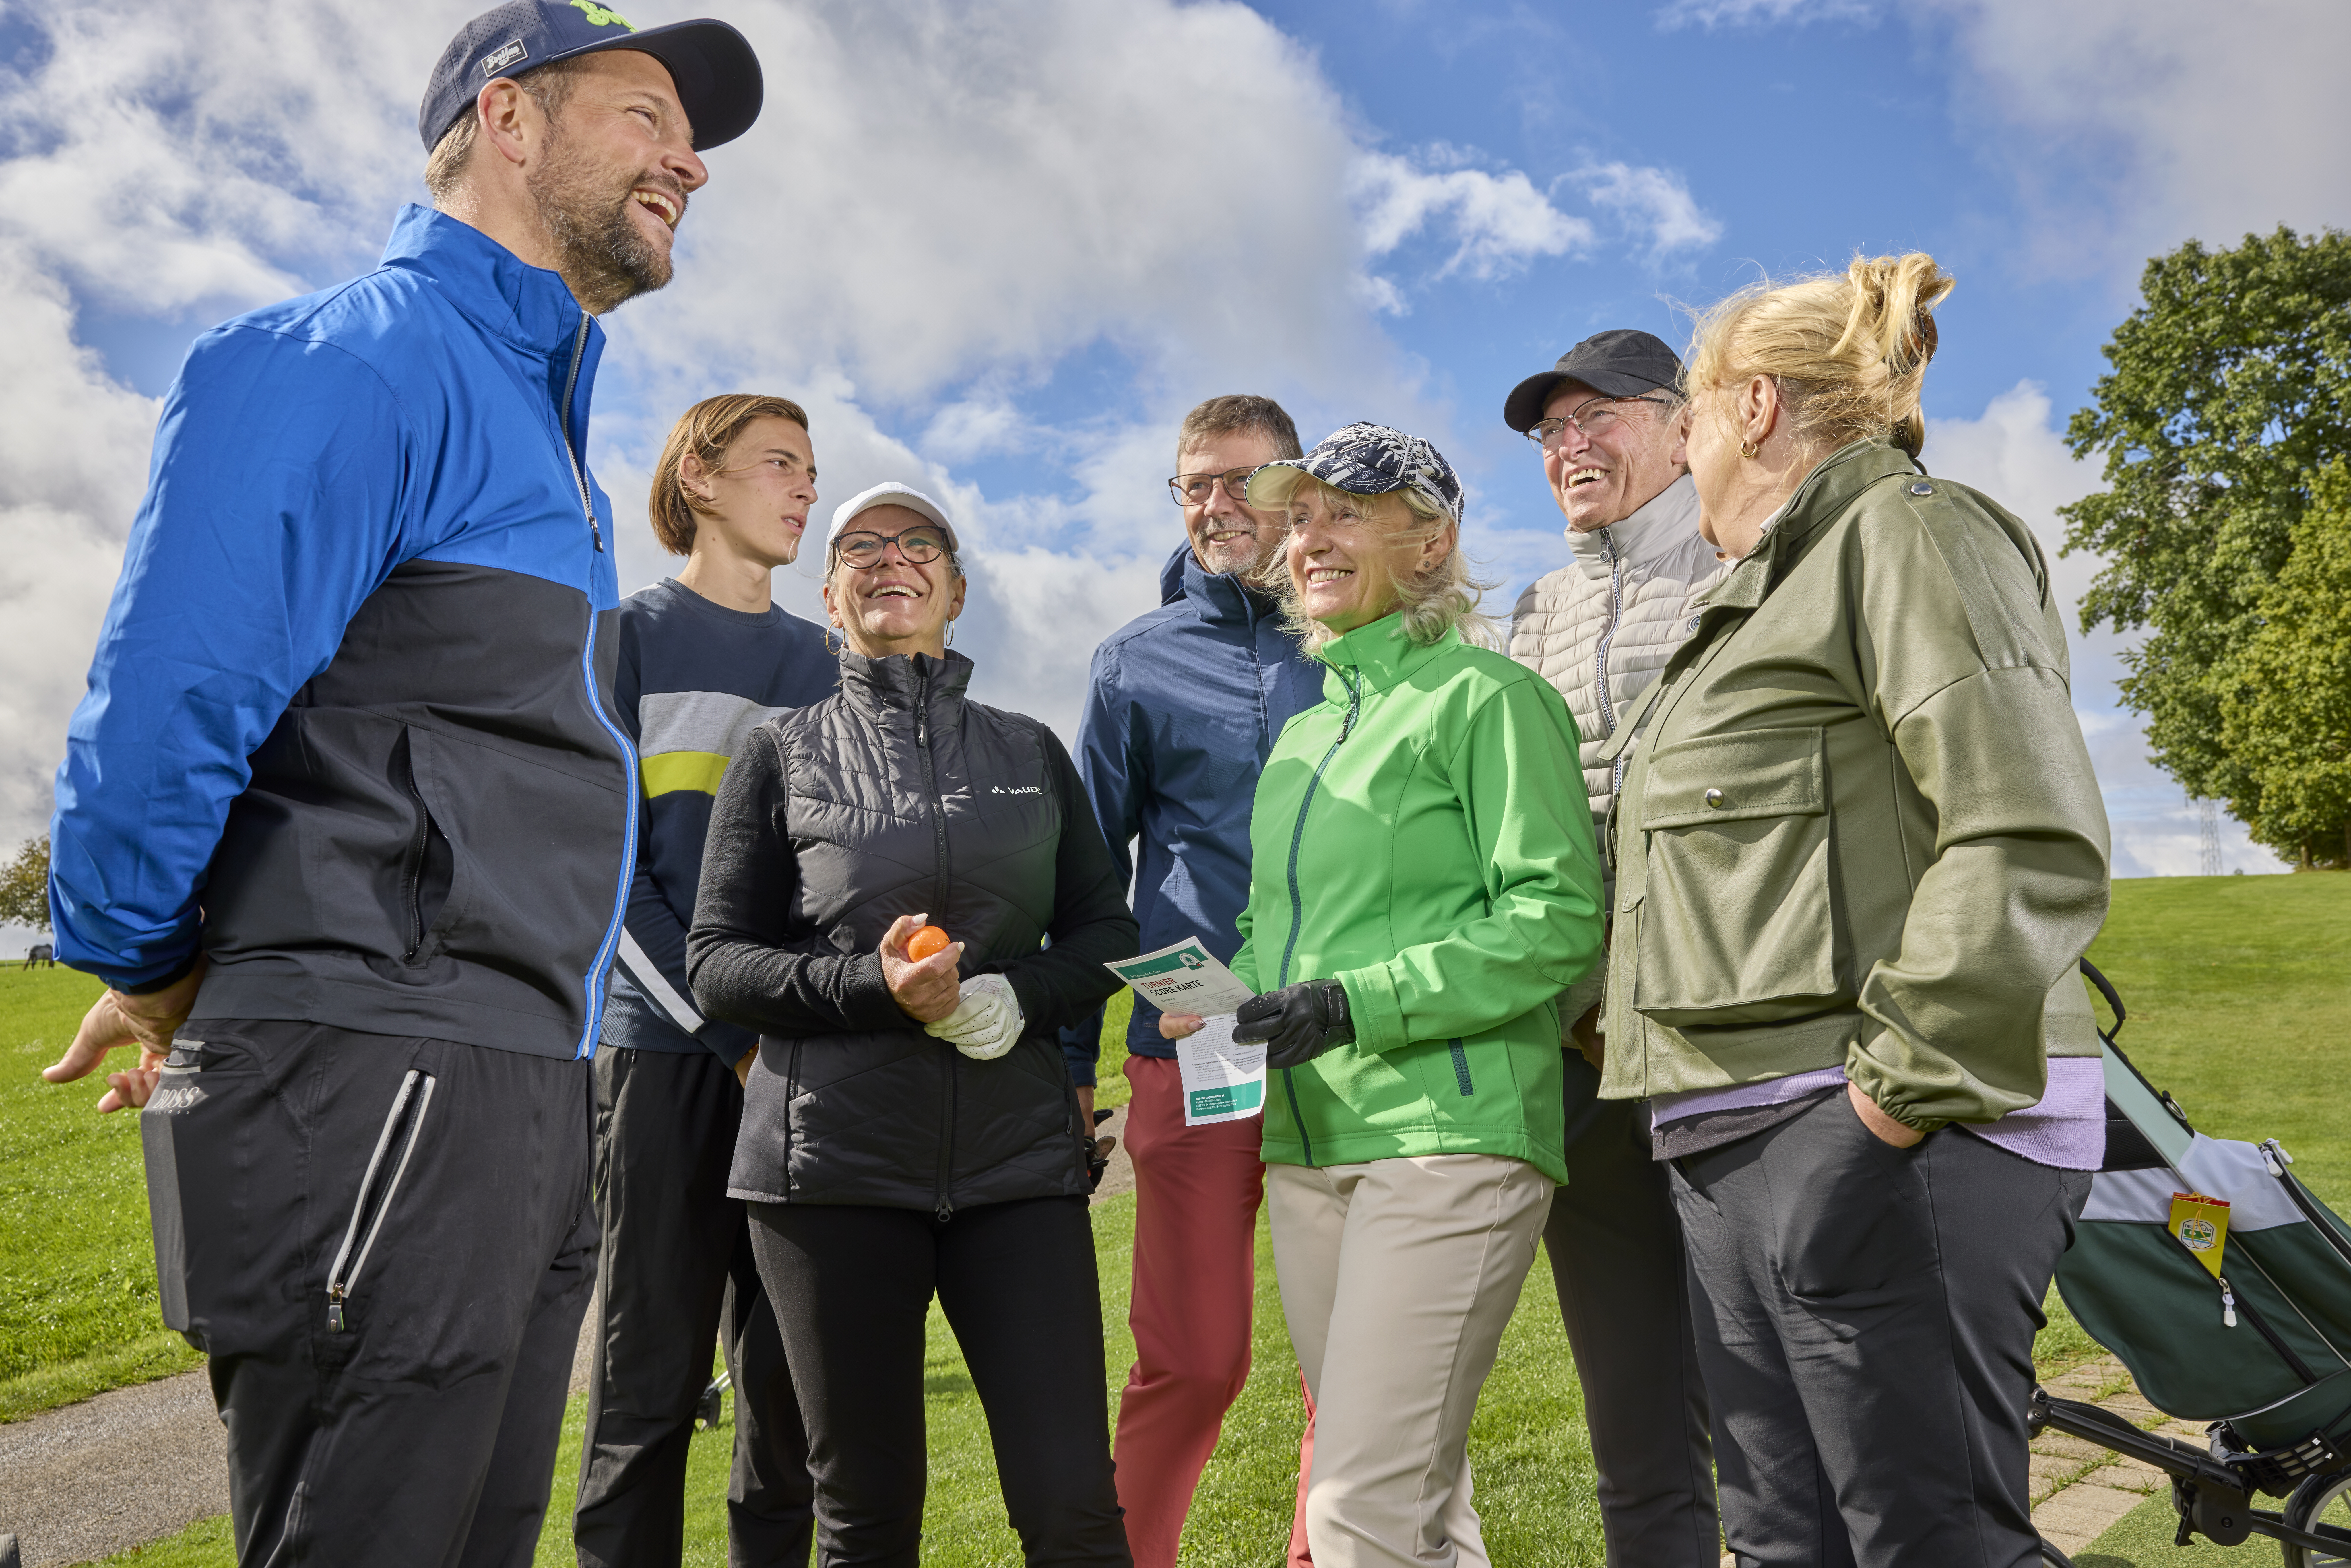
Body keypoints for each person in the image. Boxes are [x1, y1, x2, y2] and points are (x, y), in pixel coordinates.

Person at [38, 5, 763, 1562]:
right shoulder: (351, 362)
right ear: (508, 122)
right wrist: (158, 959)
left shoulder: (542, 427)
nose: (688, 160)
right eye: (645, 115)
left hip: (518, 1085)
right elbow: (165, 713)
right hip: (386, 1079)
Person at [1600, 254, 2111, 1567]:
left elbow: (2023, 835)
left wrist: (1880, 1107)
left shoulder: (1908, 533)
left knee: (1929, 1542)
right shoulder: (1753, 591)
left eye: (1693, 415)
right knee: (1785, 1543)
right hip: (1728, 1133)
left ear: (1755, 407)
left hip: (1881, 1126)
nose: (1684, 445)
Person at [1169, 423, 1605, 1568]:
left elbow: (1552, 921)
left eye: (1346, 512)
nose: (1309, 536)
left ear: (1431, 543)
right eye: (1300, 515)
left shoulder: (1489, 699)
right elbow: (1273, 934)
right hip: (1310, 1147)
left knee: (1354, 1503)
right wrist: (1225, 999)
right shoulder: (1305, 736)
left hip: (1449, 1142)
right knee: (1414, 1497)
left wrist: (1352, 1003)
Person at [686, 483, 1141, 1568]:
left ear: (958, 588)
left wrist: (1014, 999)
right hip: (828, 1177)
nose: (891, 560)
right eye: (860, 549)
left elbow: (1106, 932)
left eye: (918, 543)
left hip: (1016, 1170)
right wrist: (869, 990)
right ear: (831, 596)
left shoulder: (1032, 751)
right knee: (866, 1513)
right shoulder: (779, 751)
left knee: (1073, 1501)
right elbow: (716, 965)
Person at [1059, 394, 1324, 1568]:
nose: (1216, 505)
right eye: (1193, 485)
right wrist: (1075, 1068)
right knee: (1196, 1356)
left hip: (1345, 1046)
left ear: (1294, 485)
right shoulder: (1130, 663)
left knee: (1351, 1357)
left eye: (1240, 479)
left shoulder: (1355, 637)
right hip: (1191, 1047)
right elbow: (1085, 876)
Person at [574, 394, 833, 1567]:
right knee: (648, 1390)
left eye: (811, 470)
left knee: (784, 1405)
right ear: (701, 475)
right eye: (779, 462)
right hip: (667, 1057)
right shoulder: (618, 639)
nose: (803, 489)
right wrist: (725, 1025)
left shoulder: (825, 662)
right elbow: (606, 871)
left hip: (796, 1072)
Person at [1500, 330, 1723, 1566]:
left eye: (1596, 421)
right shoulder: (1539, 605)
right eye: (1550, 434)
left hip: (1717, 1048)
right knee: (1633, 1427)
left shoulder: (1747, 558)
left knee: (1774, 1410)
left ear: (1683, 425)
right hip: (1582, 1059)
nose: (1568, 449)